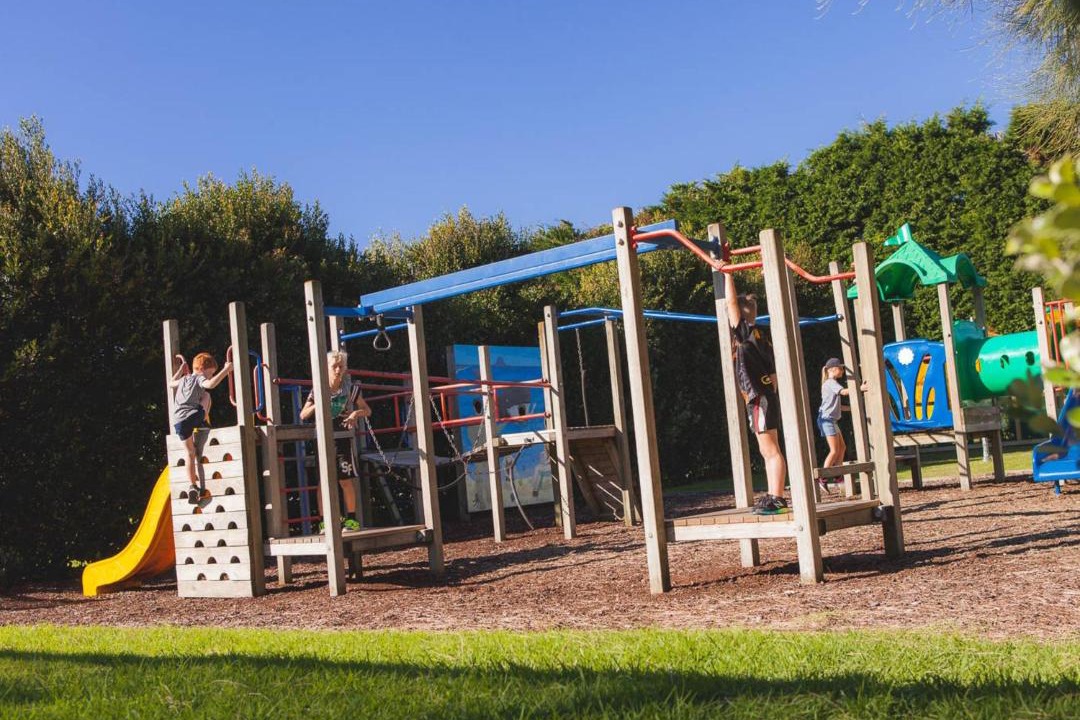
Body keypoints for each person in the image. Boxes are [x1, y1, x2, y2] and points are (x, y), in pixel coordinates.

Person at [719, 263, 789, 515]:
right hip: (763, 396)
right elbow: (773, 374)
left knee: (770, 450)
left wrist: (726, 272)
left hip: (759, 398)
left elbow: (731, 304)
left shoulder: (745, 334)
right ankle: (774, 495)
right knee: (768, 449)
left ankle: (778, 498)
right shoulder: (761, 337)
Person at [299, 350, 373, 524]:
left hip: (342, 437)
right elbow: (303, 414)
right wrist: (318, 403)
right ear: (327, 368)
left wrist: (355, 413)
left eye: (341, 366)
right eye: (334, 367)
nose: (338, 370)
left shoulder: (350, 388)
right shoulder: (318, 389)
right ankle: (324, 522)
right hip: (323, 439)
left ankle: (351, 520)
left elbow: (367, 410)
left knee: (345, 480)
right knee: (323, 482)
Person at [170, 352, 233, 503]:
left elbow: (171, 383)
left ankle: (192, 486)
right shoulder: (199, 378)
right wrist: (226, 370)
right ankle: (203, 421)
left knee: (190, 453)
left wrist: (180, 370)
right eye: (211, 373)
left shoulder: (184, 379)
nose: (211, 376)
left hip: (178, 421)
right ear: (204, 370)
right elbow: (210, 385)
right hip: (192, 417)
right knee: (207, 396)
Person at [817, 358, 868, 491]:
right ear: (832, 369)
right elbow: (844, 392)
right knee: (834, 450)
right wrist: (860, 388)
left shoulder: (831, 384)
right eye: (840, 368)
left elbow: (836, 406)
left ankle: (837, 475)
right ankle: (822, 478)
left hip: (831, 420)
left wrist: (851, 408)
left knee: (842, 447)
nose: (842, 371)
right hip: (827, 420)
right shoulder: (830, 383)